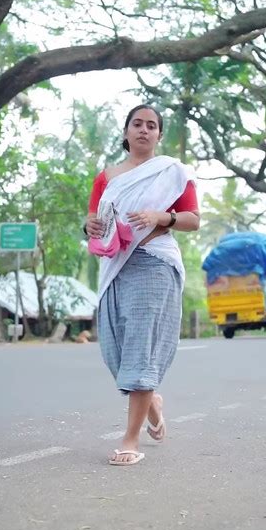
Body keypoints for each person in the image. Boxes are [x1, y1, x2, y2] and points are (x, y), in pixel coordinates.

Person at [85, 104, 200, 466]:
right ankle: (152, 402)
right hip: (116, 267)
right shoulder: (107, 177)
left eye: (152, 126)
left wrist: (161, 216)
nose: (144, 130)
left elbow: (193, 219)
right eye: (138, 124)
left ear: (159, 135)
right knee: (117, 353)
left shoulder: (172, 173)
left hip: (155, 264)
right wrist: (89, 227)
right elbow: (95, 219)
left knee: (140, 348)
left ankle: (130, 439)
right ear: (126, 132)